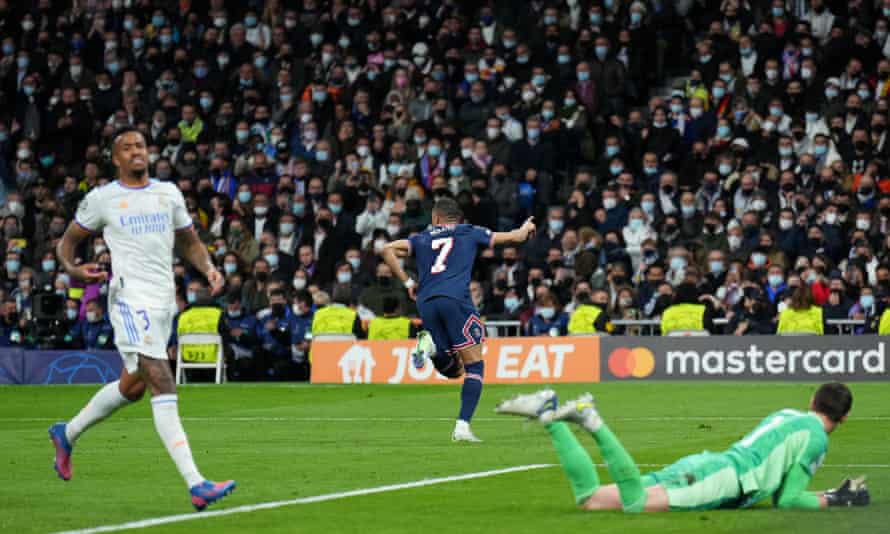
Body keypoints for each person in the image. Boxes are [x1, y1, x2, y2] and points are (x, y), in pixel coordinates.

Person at [48, 129, 235, 510]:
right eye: (127, 147)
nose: (137, 151)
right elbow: (67, 243)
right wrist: (73, 269)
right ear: (115, 158)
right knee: (161, 379)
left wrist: (208, 268)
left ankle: (66, 433)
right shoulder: (102, 199)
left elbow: (189, 241)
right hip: (129, 301)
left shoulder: (168, 194)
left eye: (141, 146)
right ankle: (196, 483)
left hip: (164, 301)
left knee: (133, 387)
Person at [496, 383, 868, 513]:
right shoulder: (817, 437)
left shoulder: (790, 414)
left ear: (811, 400)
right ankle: (592, 420)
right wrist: (834, 499)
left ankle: (551, 418)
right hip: (723, 481)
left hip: (709, 465)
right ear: (844, 418)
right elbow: (786, 500)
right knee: (636, 503)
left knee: (591, 499)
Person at [381, 197, 536, 442]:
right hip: (455, 301)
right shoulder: (469, 232)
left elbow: (386, 249)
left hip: (426, 302)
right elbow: (515, 238)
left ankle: (431, 349)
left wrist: (409, 282)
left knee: (454, 370)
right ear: (457, 218)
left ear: (435, 218)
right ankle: (462, 427)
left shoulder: (420, 238)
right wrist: (526, 228)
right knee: (475, 366)